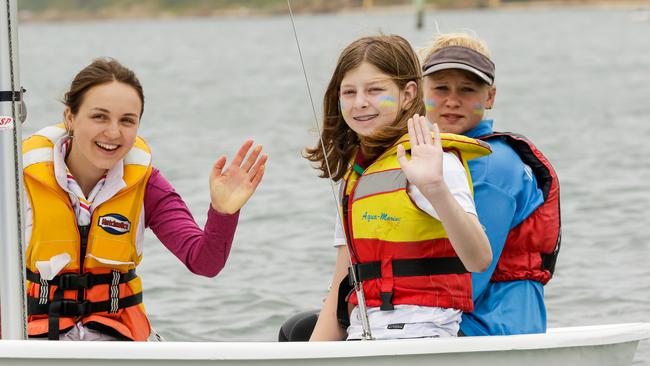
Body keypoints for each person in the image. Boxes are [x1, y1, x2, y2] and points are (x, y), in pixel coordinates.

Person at [21, 58, 267, 341]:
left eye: (127, 120)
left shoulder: (147, 185)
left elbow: (205, 262)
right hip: (32, 343)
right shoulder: (18, 180)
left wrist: (223, 212)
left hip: (119, 344)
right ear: (70, 117)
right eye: (99, 116)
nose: (113, 133)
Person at [302, 34, 492, 341]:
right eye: (349, 92)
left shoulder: (435, 162)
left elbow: (479, 258)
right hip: (364, 338)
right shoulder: (354, 177)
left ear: (408, 94)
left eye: (375, 90)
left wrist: (435, 188)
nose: (360, 102)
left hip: (425, 339)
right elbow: (341, 283)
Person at [419, 32, 561, 336]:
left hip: (493, 325)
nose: (452, 101)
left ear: (490, 97)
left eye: (468, 90)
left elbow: (472, 276)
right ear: (420, 91)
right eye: (441, 88)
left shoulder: (492, 165)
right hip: (455, 316)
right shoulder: (429, 157)